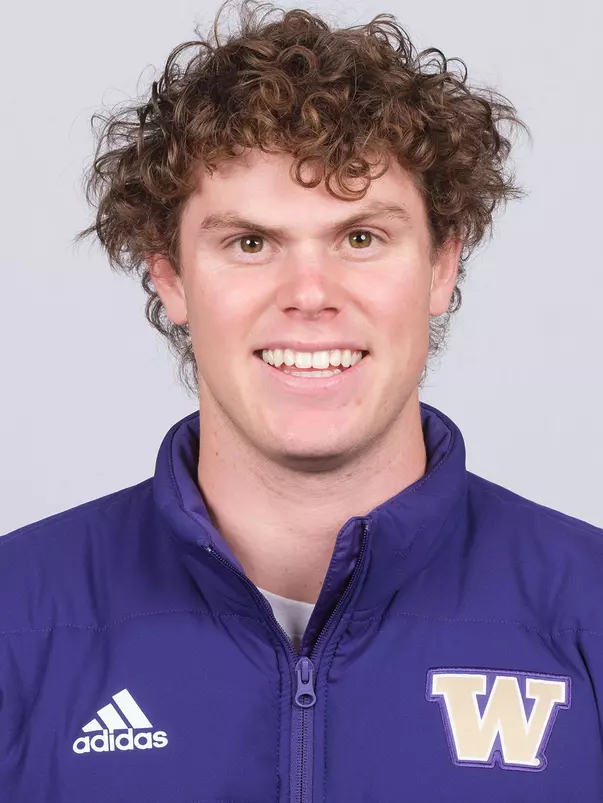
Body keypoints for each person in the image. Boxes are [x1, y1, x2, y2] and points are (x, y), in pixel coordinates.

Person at [1, 1, 601, 800]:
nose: (309, 295)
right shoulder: (18, 617)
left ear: (441, 268)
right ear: (170, 276)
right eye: (249, 243)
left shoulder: (586, 608)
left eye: (360, 237)